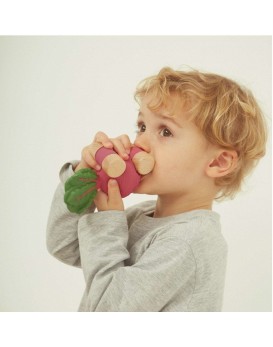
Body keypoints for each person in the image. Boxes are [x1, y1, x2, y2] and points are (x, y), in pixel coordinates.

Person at [46, 67, 267, 311]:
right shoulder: (142, 216)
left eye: (165, 131)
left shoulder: (190, 241)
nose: (139, 142)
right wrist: (83, 179)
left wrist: (108, 222)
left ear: (218, 162)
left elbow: (110, 310)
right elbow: (64, 246)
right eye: (141, 126)